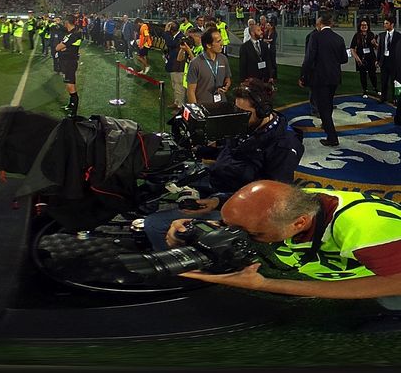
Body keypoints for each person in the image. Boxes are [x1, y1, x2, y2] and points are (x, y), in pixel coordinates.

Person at [171, 181, 401, 305]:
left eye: (253, 234)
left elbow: (397, 283)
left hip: (390, 273)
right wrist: (197, 228)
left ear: (299, 223)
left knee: (387, 305)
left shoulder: (365, 230)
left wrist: (265, 285)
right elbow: (256, 218)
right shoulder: (294, 203)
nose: (238, 236)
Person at [143, 79, 302, 250]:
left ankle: (179, 262)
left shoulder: (284, 146)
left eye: (244, 112)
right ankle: (144, 208)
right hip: (216, 178)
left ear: (264, 111)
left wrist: (218, 201)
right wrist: (196, 150)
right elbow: (227, 151)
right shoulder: (244, 123)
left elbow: (272, 198)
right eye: (236, 110)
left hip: (237, 203)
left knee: (154, 224)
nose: (238, 116)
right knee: (161, 170)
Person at [300, 11, 348, 147]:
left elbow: (309, 59)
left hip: (320, 78)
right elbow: (344, 59)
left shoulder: (315, 37)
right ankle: (327, 126)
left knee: (323, 108)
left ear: (320, 23)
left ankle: (332, 137)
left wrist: (303, 76)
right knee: (328, 104)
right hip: (334, 78)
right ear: (330, 23)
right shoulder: (339, 38)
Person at [185, 27, 231, 105]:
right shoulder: (195, 63)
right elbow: (191, 92)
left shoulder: (223, 59)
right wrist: (197, 110)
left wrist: (226, 86)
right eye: (218, 41)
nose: (222, 44)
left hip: (221, 104)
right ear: (208, 45)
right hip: (203, 106)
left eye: (221, 40)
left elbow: (228, 78)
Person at [54, 16, 83, 117]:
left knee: (71, 86)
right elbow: (63, 46)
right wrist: (63, 47)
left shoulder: (74, 34)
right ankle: (71, 105)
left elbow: (58, 47)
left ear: (67, 22)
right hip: (67, 62)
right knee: (68, 85)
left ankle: (74, 112)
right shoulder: (71, 33)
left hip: (70, 62)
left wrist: (62, 47)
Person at [351, 18, 379, 99]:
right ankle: (365, 90)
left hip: (371, 58)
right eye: (362, 25)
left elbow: (377, 48)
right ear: (360, 26)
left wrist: (375, 43)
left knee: (372, 74)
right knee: (362, 75)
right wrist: (357, 58)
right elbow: (352, 48)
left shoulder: (371, 34)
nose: (364, 26)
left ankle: (375, 88)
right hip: (361, 58)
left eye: (365, 25)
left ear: (368, 26)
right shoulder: (356, 35)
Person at [377, 17, 401, 106]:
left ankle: (396, 98)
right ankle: (383, 97)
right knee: (383, 80)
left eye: (386, 23)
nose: (384, 25)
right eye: (384, 23)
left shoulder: (398, 36)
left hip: (394, 62)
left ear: (392, 24)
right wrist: (377, 60)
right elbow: (380, 49)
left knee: (394, 81)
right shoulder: (382, 35)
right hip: (384, 61)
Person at [163, 21, 186, 108]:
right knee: (174, 85)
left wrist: (166, 32)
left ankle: (180, 106)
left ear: (171, 30)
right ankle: (176, 102)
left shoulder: (180, 37)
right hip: (173, 65)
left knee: (179, 87)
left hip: (178, 66)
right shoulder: (176, 36)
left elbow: (170, 43)